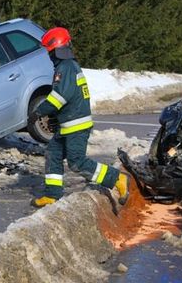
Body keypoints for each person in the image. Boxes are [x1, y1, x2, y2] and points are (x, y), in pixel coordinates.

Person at [30, 27, 130, 208]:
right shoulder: (68, 66)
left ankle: (117, 178)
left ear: (56, 48)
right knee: (53, 153)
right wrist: (56, 116)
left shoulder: (66, 68)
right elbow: (69, 96)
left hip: (76, 126)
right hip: (67, 124)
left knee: (77, 162)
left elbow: (59, 97)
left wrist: (40, 111)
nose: (49, 55)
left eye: (49, 51)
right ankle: (52, 195)